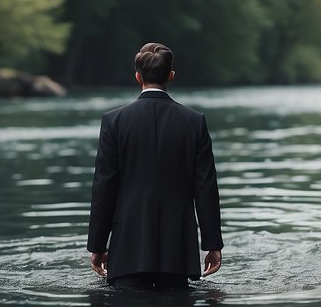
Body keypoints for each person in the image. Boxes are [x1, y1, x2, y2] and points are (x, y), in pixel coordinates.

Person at [86, 42, 223, 289]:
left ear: (137, 76)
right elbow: (206, 188)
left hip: (128, 250)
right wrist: (213, 245)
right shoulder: (195, 122)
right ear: (171, 76)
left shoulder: (113, 122)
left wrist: (97, 246)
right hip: (179, 253)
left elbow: (104, 188)